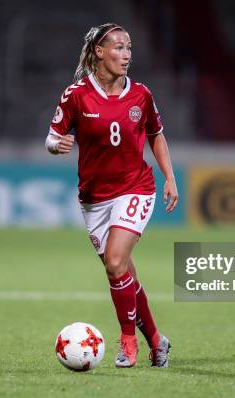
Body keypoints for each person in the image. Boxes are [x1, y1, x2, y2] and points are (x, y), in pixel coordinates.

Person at [45, 23, 179, 368]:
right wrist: (56, 146)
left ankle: (128, 341)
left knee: (117, 261)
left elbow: (157, 135)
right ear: (99, 52)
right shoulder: (76, 95)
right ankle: (156, 340)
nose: (126, 55)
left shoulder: (141, 95)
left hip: (135, 187)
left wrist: (169, 177)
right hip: (94, 198)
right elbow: (51, 137)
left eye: (129, 48)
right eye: (118, 48)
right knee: (120, 272)